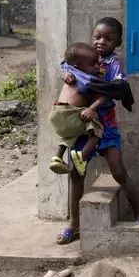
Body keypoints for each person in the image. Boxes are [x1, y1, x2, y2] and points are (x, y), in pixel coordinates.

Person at [56, 17, 139, 245]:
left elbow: (115, 90)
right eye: (97, 37)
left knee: (118, 172)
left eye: (108, 38)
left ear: (118, 42)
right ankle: (73, 225)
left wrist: (94, 107)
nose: (101, 42)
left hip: (105, 127)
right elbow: (66, 66)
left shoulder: (114, 63)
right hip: (82, 129)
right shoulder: (82, 57)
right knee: (77, 174)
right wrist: (65, 74)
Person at [48, 43, 105, 177]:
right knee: (98, 129)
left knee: (68, 134)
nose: (97, 66)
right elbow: (105, 92)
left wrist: (65, 73)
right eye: (93, 64)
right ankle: (82, 156)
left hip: (56, 114)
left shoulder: (69, 70)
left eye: (98, 62)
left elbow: (64, 63)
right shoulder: (87, 79)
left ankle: (57, 157)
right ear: (78, 67)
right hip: (71, 112)